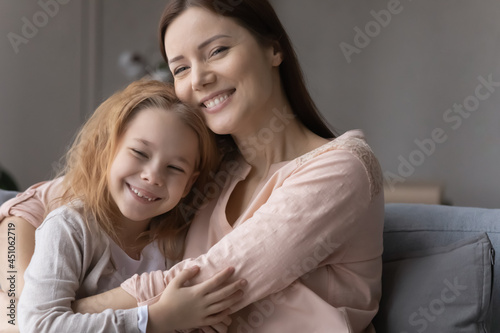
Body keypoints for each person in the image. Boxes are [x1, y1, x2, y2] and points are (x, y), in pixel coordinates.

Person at [1, 0, 384, 331]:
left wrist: (53, 318)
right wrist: (22, 302)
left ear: (273, 49)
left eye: (217, 51)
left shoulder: (340, 170)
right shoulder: (205, 169)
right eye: (180, 68)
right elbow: (32, 205)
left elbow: (208, 282)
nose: (199, 77)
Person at [14, 79, 246, 333]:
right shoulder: (68, 228)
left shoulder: (177, 242)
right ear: (106, 149)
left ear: (189, 183)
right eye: (140, 153)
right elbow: (39, 326)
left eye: (174, 168)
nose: (153, 176)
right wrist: (157, 319)